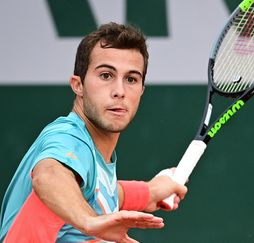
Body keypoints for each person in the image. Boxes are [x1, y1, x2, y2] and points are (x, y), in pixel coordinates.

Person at [0, 22, 187, 243]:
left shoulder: (91, 163)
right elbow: (49, 175)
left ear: (142, 91)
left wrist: (148, 192)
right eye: (106, 75)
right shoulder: (68, 137)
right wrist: (91, 223)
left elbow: (93, 191)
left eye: (131, 79)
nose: (119, 91)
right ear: (78, 85)